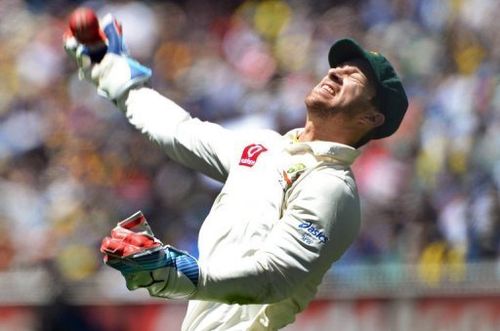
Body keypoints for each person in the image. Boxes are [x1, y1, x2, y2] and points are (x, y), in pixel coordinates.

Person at [64, 13, 408, 331]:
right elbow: (177, 130)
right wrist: (110, 69)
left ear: (371, 118)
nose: (335, 72)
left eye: (354, 75)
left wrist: (174, 271)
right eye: (338, 66)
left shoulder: (331, 186)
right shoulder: (265, 147)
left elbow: (273, 277)